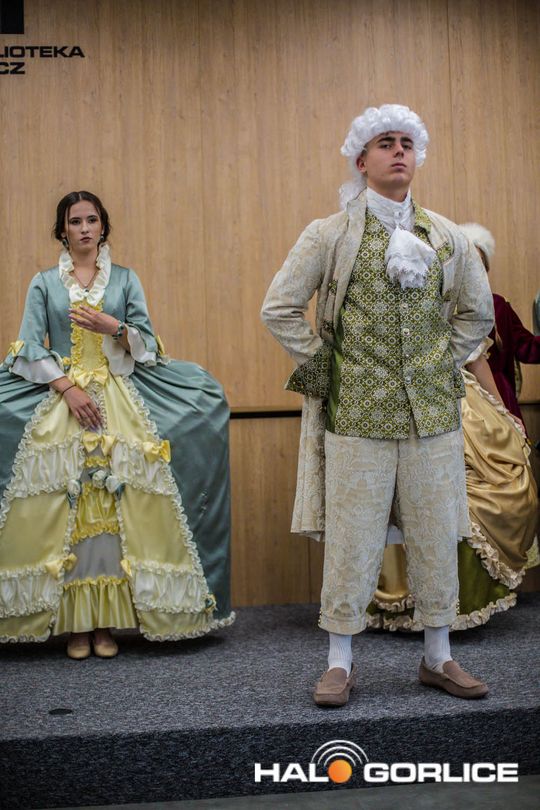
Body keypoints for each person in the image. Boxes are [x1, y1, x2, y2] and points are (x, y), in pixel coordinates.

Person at [262, 104, 494, 705]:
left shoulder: (446, 237)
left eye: (406, 144)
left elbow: (478, 313)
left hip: (431, 416)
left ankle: (438, 657)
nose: (398, 152)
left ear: (417, 158)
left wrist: (442, 362)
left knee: (435, 535)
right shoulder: (330, 234)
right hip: (356, 416)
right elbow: (279, 307)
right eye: (385, 143)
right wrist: (326, 367)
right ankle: (339, 663)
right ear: (361, 161)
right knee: (352, 539)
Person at [0, 191, 234, 658]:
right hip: (66, 398)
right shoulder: (44, 283)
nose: (84, 228)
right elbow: (28, 346)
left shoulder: (125, 279)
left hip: (117, 399)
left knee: (115, 505)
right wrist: (67, 388)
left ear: (103, 227)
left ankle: (105, 623)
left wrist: (115, 328)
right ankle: (75, 625)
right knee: (69, 505)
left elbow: (146, 346)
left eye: (92, 220)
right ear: (62, 230)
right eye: (75, 221)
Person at [367, 339, 538, 632]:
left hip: (461, 401)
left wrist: (503, 411)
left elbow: (476, 357)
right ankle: (413, 605)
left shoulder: (457, 310)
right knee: (416, 497)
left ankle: (464, 602)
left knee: (490, 491)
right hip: (402, 397)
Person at [459, 223, 540, 426]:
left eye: (479, 265)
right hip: (463, 402)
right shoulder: (448, 308)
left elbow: (527, 347)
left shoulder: (498, 305)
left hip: (500, 394)